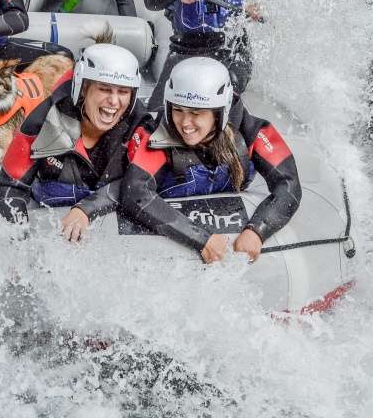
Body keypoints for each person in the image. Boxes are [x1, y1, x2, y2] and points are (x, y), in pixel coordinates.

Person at [122, 57, 301, 264]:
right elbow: (135, 193)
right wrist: (201, 238)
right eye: (178, 110)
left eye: (196, 113)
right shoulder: (154, 135)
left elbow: (289, 184)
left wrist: (257, 230)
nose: (185, 124)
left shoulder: (254, 131)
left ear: (220, 112)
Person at [0, 43, 147, 243]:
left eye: (123, 92)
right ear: (83, 88)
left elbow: (142, 184)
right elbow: (9, 187)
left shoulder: (140, 126)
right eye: (104, 89)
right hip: (51, 210)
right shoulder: (41, 120)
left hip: (106, 217)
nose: (114, 101)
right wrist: (16, 246)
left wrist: (87, 209)